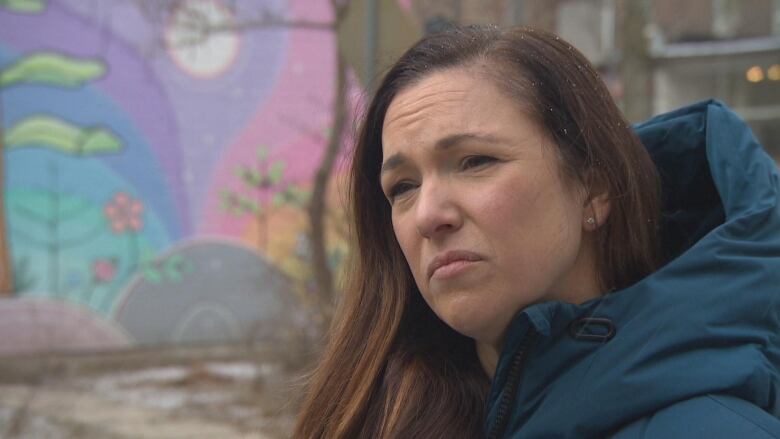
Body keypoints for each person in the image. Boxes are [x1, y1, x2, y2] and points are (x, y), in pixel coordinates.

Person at [294, 25, 780, 438]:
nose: (427, 214)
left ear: (593, 188)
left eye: (475, 161)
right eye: (402, 186)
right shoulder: (379, 412)